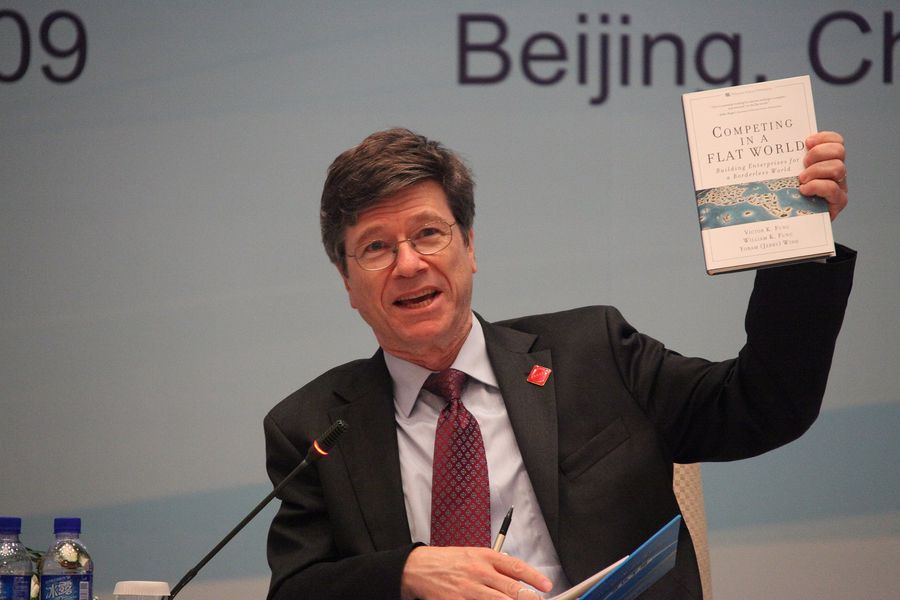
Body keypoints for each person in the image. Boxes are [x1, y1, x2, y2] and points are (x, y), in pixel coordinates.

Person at [264, 127, 854, 600]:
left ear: (469, 247)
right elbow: (296, 588)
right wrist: (406, 573)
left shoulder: (593, 352)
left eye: (428, 234)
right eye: (376, 247)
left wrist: (797, 240)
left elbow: (761, 406)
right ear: (346, 280)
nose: (410, 264)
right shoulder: (314, 428)